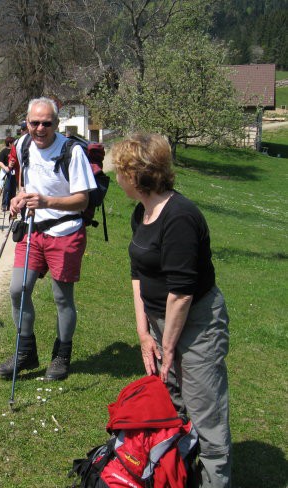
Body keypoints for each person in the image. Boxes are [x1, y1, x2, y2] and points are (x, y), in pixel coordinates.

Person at [112, 133, 231, 487]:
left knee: (205, 412)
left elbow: (181, 294)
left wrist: (168, 352)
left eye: (120, 171)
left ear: (136, 174)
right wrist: (144, 334)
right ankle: (177, 475)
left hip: (196, 324)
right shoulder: (142, 212)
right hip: (162, 321)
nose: (116, 178)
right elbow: (137, 272)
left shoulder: (180, 217)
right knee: (174, 405)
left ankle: (215, 479)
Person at [0, 98, 96, 381]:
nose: (40, 129)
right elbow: (23, 183)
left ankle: (61, 355)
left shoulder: (72, 152)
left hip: (65, 232)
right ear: (26, 122)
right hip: (32, 231)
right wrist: (18, 198)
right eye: (34, 123)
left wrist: (46, 201)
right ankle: (25, 351)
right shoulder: (22, 145)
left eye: (46, 123)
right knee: (18, 289)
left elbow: (81, 200)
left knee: (62, 298)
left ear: (57, 123)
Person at [0, 136, 16, 212]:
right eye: (13, 143)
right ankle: (4, 205)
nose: (14, 144)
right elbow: (0, 162)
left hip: (14, 172)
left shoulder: (15, 151)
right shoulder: (4, 151)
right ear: (9, 143)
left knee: (13, 189)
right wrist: (5, 168)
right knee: (7, 189)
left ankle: (12, 205)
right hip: (6, 172)